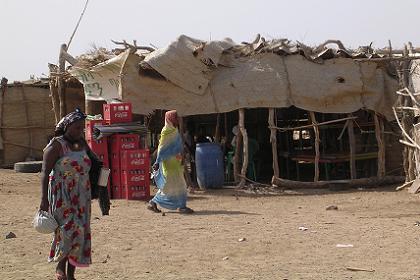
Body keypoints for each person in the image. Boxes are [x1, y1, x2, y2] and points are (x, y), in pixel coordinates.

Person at [39, 109, 92, 280]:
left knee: (80, 233)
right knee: (66, 231)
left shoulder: (82, 143)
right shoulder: (57, 145)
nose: (79, 131)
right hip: (62, 196)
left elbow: (93, 163)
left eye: (81, 128)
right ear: (67, 126)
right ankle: (60, 268)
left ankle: (71, 274)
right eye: (76, 128)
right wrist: (44, 201)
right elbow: (45, 173)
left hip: (83, 196)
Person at [148, 110, 194, 214]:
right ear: (170, 119)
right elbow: (162, 148)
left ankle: (153, 203)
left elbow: (177, 147)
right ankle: (181, 206)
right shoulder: (166, 131)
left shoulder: (173, 130)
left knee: (174, 185)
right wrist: (158, 161)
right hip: (168, 164)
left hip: (175, 162)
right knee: (176, 185)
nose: (177, 119)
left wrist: (181, 157)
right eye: (175, 117)